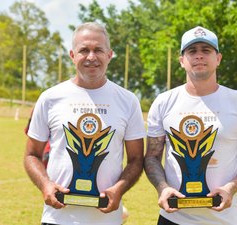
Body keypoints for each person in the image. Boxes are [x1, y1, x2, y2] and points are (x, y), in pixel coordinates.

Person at [144, 26, 237, 225]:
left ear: (218, 58)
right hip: (173, 218)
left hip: (224, 219)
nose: (199, 56)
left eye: (206, 50)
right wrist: (163, 188)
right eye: (192, 51)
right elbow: (151, 157)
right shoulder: (163, 102)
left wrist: (230, 188)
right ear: (182, 60)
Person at [24, 22, 146, 225]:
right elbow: (31, 155)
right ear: (72, 55)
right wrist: (45, 185)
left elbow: (136, 159)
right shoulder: (50, 98)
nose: (91, 57)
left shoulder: (128, 100)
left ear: (109, 55)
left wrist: (119, 189)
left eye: (98, 50)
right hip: (57, 218)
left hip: (107, 219)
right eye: (84, 50)